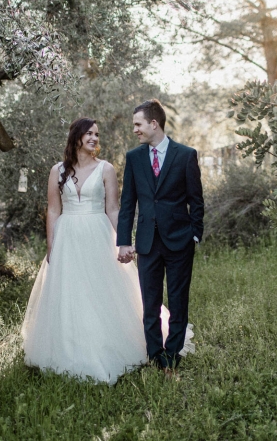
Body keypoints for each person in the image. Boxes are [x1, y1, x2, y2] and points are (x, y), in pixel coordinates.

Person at [21, 118, 194, 384]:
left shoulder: (106, 169)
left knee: (101, 290)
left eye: (97, 134)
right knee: (70, 293)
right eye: (89, 133)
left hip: (98, 234)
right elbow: (54, 210)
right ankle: (70, 348)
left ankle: (117, 345)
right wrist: (51, 246)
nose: (94, 138)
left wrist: (124, 241)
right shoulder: (57, 171)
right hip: (68, 237)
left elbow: (113, 209)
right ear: (76, 136)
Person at [117, 99, 204, 373]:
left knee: (179, 300)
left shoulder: (186, 155)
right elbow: (128, 202)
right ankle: (156, 355)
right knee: (150, 303)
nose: (135, 130)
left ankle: (174, 353)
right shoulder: (133, 158)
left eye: (138, 124)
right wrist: (124, 240)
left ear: (154, 124)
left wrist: (195, 235)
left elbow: (196, 201)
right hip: (147, 242)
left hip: (180, 240)